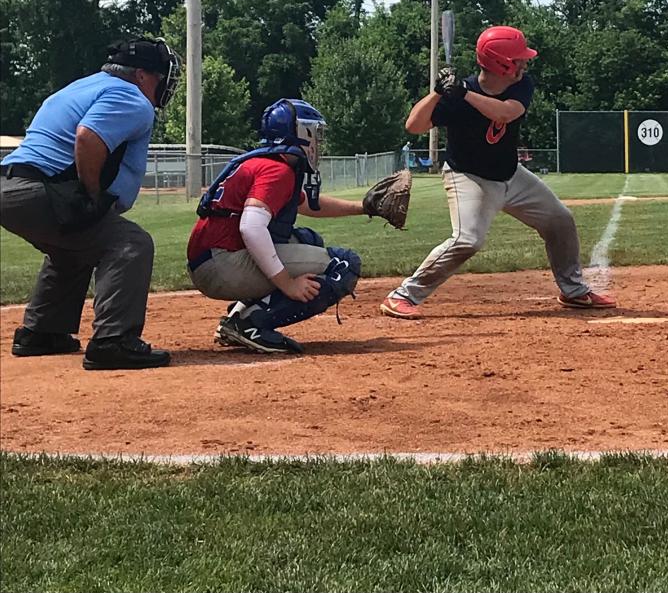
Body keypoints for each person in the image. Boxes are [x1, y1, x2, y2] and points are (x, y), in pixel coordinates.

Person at [379, 25, 616, 320]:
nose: (524, 63)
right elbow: (413, 126)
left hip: (510, 174)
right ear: (501, 63)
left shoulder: (520, 85)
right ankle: (403, 295)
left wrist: (465, 93)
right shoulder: (456, 97)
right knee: (468, 239)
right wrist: (438, 93)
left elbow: (505, 113)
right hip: (468, 177)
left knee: (560, 220)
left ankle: (574, 291)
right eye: (518, 59)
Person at [0, 37, 181, 369]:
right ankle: (113, 341)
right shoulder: (132, 98)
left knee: (75, 247)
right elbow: (88, 136)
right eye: (159, 75)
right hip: (40, 189)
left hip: (12, 186)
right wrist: (91, 193)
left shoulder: (83, 86)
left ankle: (41, 332)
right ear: (141, 75)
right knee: (130, 242)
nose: (165, 84)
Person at [186, 99, 364, 354]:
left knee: (308, 240)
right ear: (301, 132)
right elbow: (252, 228)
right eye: (315, 133)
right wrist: (287, 284)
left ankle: (239, 316)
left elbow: (306, 204)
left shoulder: (267, 162)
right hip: (221, 265)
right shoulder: (277, 170)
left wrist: (364, 207)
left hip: (211, 259)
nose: (319, 141)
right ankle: (252, 323)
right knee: (344, 265)